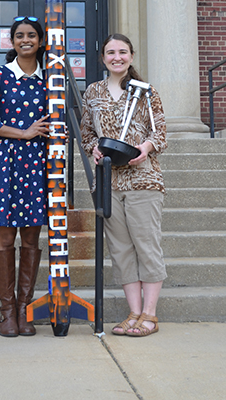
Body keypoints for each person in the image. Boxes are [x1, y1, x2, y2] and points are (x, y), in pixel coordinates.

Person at [81, 33, 167, 337]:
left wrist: (146, 147)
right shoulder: (93, 91)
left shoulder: (146, 92)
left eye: (122, 52)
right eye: (110, 52)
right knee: (120, 250)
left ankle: (150, 315)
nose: (117, 57)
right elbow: (87, 133)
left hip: (143, 179)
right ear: (103, 57)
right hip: (109, 181)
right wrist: (92, 148)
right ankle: (133, 312)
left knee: (146, 245)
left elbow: (161, 133)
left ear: (130, 55)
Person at [0, 16, 49, 337]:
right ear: (12, 42)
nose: (25, 40)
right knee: (5, 236)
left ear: (41, 41)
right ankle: (6, 312)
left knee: (31, 236)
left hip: (38, 163)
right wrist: (24, 132)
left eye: (31, 35)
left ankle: (23, 309)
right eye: (19, 36)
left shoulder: (51, 78)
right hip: (5, 160)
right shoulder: (0, 76)